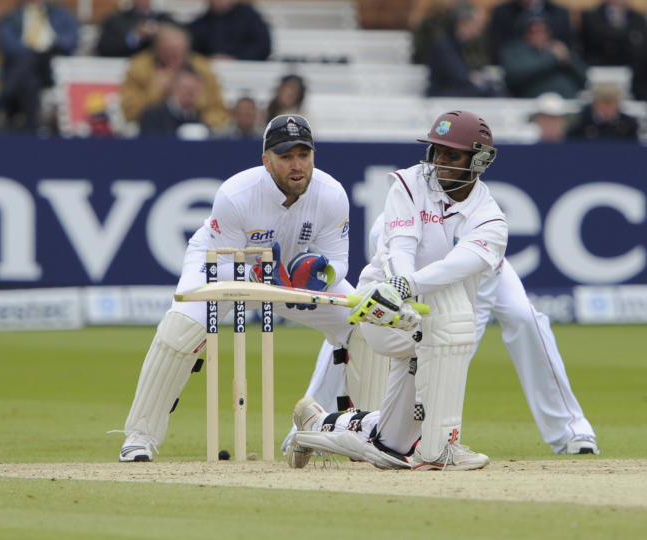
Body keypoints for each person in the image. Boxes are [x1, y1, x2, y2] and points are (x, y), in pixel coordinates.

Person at [117, 114, 357, 462]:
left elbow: (338, 262)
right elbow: (224, 264)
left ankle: (329, 432)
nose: (296, 165)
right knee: (180, 330)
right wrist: (260, 275)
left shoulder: (331, 194)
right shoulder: (236, 194)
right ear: (266, 160)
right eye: (286, 156)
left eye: (304, 155)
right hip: (221, 263)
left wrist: (320, 276)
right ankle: (139, 437)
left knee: (361, 323)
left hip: (289, 278)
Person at [287, 110, 508, 471]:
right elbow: (400, 245)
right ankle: (441, 448)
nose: (439, 162)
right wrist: (399, 288)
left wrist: (410, 285)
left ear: (480, 159)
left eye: (451, 155)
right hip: (384, 308)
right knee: (452, 319)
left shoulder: (491, 220)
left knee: (391, 447)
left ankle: (318, 423)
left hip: (427, 320)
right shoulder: (409, 183)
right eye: (437, 152)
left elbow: (457, 265)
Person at [284, 213, 600, 459]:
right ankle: (313, 422)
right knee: (357, 324)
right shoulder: (394, 236)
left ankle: (571, 430)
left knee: (523, 317)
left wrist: (438, 383)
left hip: (480, 273)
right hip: (403, 275)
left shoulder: (477, 230)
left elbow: (461, 335)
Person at [120, 23, 227, 133]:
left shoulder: (203, 69)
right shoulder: (138, 68)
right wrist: (157, 91)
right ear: (156, 50)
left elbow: (219, 112)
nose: (174, 57)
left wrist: (192, 102)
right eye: (168, 52)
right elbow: (130, 113)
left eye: (179, 52)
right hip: (153, 131)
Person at [0, 0, 79, 131]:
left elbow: (72, 38)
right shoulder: (11, 17)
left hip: (52, 63)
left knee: (25, 68)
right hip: (25, 62)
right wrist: (31, 52)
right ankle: (32, 125)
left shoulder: (60, 13)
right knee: (29, 77)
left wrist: (53, 45)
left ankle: (5, 100)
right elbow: (8, 44)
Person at [500, 13, 587, 98]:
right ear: (524, 33)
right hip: (532, 102)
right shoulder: (514, 51)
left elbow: (584, 78)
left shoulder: (559, 49)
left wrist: (568, 59)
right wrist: (553, 59)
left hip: (568, 101)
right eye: (533, 31)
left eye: (544, 31)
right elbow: (515, 75)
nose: (539, 35)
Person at [426, 3, 500, 97]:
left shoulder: (467, 45)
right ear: (463, 23)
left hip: (459, 93)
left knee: (493, 91)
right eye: (477, 25)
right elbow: (458, 75)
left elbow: (478, 69)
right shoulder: (443, 45)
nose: (479, 30)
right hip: (444, 95)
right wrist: (472, 77)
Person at [489, 0, 574, 63]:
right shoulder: (502, 12)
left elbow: (568, 50)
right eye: (532, 32)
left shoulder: (560, 13)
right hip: (517, 67)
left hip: (555, 68)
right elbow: (497, 50)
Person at [186, 0, 271, 61]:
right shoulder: (200, 24)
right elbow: (193, 50)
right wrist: (209, 59)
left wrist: (235, 58)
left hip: (246, 69)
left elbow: (262, 46)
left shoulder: (249, 17)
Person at [138, 68, 207, 136]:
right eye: (187, 88)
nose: (192, 93)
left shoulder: (197, 118)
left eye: (196, 89)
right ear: (174, 88)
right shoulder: (153, 115)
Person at [95, 0, 174, 58]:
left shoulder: (165, 20)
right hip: (123, 65)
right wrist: (134, 37)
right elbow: (104, 49)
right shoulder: (116, 20)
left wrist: (162, 35)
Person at [580, 0, 647, 67]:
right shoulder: (591, 16)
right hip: (597, 67)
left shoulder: (638, 19)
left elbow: (640, 49)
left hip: (630, 67)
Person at [567, 82, 640, 140]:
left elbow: (633, 149)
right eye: (604, 102)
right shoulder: (581, 121)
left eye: (611, 103)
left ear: (617, 104)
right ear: (595, 103)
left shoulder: (628, 124)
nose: (608, 107)